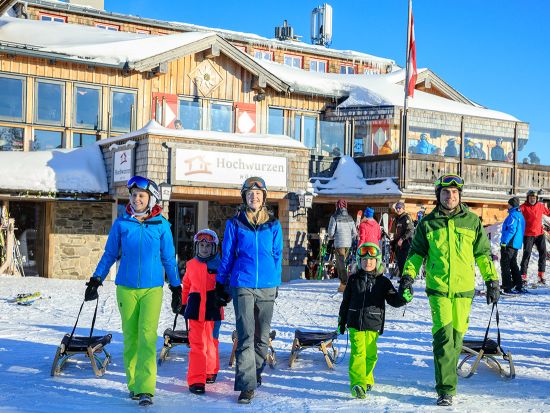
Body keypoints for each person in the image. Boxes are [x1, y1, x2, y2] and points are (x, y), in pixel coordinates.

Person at [400, 174, 499, 406]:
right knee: (444, 338)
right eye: (446, 192)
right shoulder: (428, 223)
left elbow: (483, 255)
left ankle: (448, 376)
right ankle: (446, 389)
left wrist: (491, 281)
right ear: (439, 195)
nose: (451, 196)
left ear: (460, 195)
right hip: (439, 290)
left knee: (456, 340)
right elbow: (415, 254)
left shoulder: (472, 221)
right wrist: (407, 277)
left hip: (464, 291)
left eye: (455, 192)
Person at [85, 176, 181, 407]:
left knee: (147, 337)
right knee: (131, 337)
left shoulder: (162, 226)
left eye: (141, 195)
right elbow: (109, 254)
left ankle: (146, 388)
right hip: (126, 288)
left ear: (151, 199)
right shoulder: (121, 224)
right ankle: (134, 385)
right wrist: (96, 279)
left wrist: (177, 287)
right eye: (133, 195)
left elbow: (169, 259)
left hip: (152, 290)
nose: (136, 199)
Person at [216, 176, 283, 404]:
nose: (254, 196)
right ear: (244, 197)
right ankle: (246, 385)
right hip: (242, 282)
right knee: (246, 334)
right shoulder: (235, 224)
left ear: (264, 197)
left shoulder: (274, 225)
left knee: (262, 337)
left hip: (267, 285)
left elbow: (277, 255)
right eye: (249, 193)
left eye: (258, 193)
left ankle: (254, 373)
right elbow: (227, 255)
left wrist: (275, 281)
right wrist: (220, 282)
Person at [338, 242, 411, 398]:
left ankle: (366, 378)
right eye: (364, 260)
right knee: (358, 354)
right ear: (359, 262)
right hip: (355, 323)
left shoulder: (383, 282)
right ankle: (358, 384)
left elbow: (393, 300)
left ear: (377, 262)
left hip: (373, 324)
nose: (368, 262)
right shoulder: (353, 280)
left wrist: (404, 298)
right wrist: (341, 321)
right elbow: (345, 302)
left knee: (371, 355)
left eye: (371, 260)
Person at [181, 229, 224, 395]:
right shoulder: (191, 264)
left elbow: (226, 283)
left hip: (213, 308)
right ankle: (197, 379)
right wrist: (184, 304)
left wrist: (224, 296)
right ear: (196, 247)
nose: (204, 248)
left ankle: (210, 370)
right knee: (197, 344)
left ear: (214, 248)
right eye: (201, 245)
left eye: (208, 245)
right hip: (195, 308)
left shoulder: (220, 264)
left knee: (211, 341)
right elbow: (186, 285)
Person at [519, 189, 550, 285]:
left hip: (539, 234)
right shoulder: (523, 207)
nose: (532, 199)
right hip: (528, 235)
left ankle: (541, 275)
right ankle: (523, 276)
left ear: (536, 198)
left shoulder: (540, 206)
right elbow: (516, 215)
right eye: (531, 197)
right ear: (527, 198)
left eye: (534, 198)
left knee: (543, 254)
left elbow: (548, 212)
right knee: (527, 254)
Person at [328, 199, 358, 292]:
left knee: (340, 264)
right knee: (344, 263)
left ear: (337, 206)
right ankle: (343, 284)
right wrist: (349, 238)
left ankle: (344, 284)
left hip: (339, 243)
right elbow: (354, 232)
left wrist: (333, 237)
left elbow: (330, 232)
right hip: (348, 244)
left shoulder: (334, 217)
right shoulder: (350, 218)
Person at [500, 197, 526, 293]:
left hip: (509, 243)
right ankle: (518, 284)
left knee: (505, 264)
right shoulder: (520, 215)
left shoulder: (513, 215)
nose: (508, 205)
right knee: (513, 264)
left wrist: (504, 242)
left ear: (512, 205)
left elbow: (511, 230)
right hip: (516, 244)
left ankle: (507, 286)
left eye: (509, 204)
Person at [391, 201, 414, 279]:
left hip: (405, 244)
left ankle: (406, 280)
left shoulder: (406, 218)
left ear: (403, 208)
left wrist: (402, 239)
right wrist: (393, 242)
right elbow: (396, 232)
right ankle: (402, 279)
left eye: (399, 208)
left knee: (404, 263)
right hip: (399, 245)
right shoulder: (397, 218)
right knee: (400, 263)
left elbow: (410, 230)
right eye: (396, 208)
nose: (398, 209)